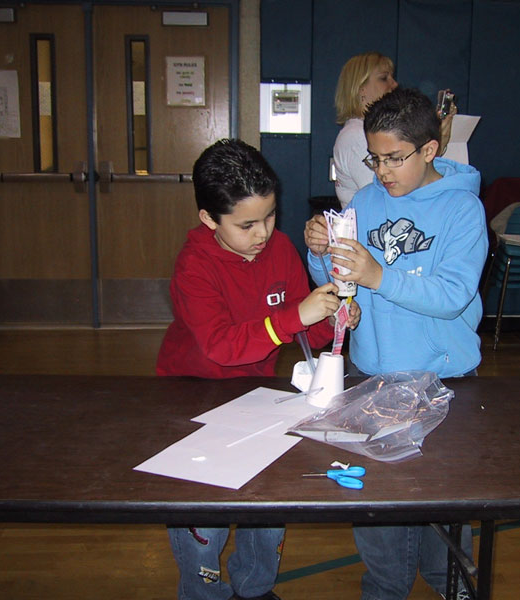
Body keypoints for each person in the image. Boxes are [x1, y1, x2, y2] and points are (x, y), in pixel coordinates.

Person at [157, 138, 360, 600]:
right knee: (201, 519)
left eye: (269, 216)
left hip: (256, 396)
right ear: (209, 219)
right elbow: (222, 346)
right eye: (246, 224)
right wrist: (297, 315)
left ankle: (255, 589)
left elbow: (302, 334)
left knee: (265, 504)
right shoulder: (194, 265)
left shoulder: (282, 250)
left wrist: (333, 322)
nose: (263, 232)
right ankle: (204, 592)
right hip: (190, 398)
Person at [304, 88, 487, 600]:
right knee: (378, 510)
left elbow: (452, 297)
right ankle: (384, 587)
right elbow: (345, 283)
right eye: (374, 158)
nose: (382, 171)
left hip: (442, 381)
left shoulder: (463, 210)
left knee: (441, 511)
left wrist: (379, 275)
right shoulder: (364, 201)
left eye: (393, 159)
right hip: (371, 375)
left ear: (429, 150)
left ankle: (451, 586)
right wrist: (321, 254)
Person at [332, 52, 456, 209]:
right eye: (384, 78)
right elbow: (390, 195)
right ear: (361, 88)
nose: (394, 84)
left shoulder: (359, 132)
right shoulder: (356, 135)